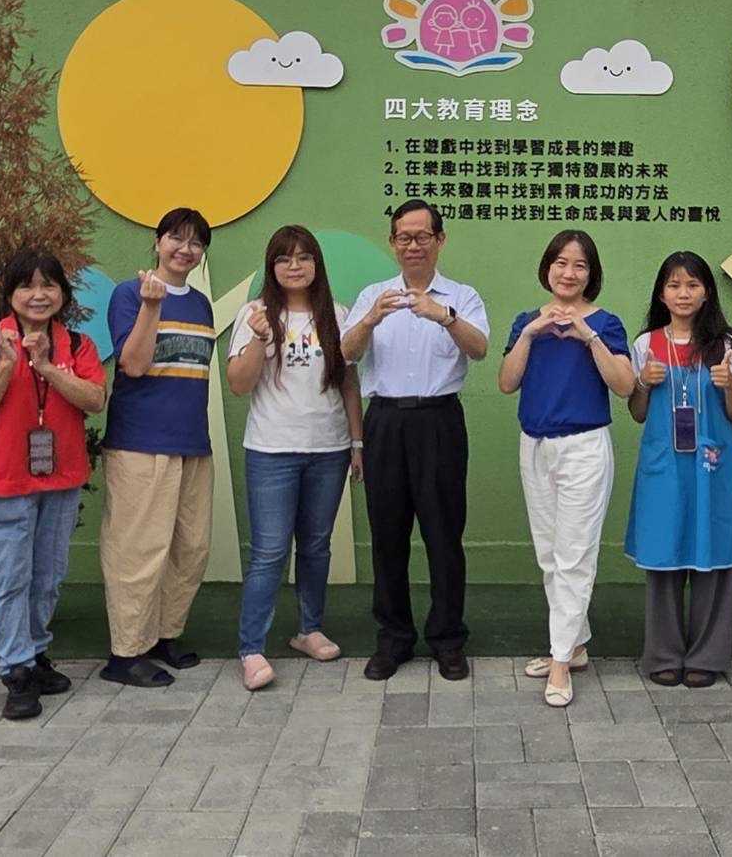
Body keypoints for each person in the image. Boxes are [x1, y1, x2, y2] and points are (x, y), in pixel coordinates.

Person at [0, 250, 106, 720]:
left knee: (48, 575)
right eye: (27, 285)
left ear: (63, 293)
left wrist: (48, 368)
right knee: (10, 578)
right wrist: (6, 365)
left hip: (60, 479)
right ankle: (15, 671)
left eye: (48, 285)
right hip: (3, 480)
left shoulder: (77, 344)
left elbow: (95, 399)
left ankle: (35, 652)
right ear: (10, 294)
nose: (38, 295)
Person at [343, 200, 489, 681]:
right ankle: (394, 639)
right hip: (385, 421)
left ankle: (448, 639)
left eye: (422, 236)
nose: (413, 245)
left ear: (439, 240)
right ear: (392, 242)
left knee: (444, 535)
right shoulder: (373, 295)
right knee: (387, 536)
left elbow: (480, 349)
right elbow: (345, 353)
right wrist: (369, 320)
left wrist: (443, 315)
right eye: (404, 237)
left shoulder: (462, 296)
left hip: (439, 421)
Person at [499, 230, 634, 707]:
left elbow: (624, 385)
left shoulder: (607, 323)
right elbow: (506, 382)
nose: (568, 272)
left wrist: (587, 335)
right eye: (560, 262)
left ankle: (559, 663)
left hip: (583, 447)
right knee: (550, 554)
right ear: (547, 267)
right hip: (534, 444)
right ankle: (573, 646)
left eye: (579, 265)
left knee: (575, 555)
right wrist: (530, 334)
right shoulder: (526, 322)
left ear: (591, 273)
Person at [227, 226, 364, 690]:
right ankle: (251, 649)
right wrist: (259, 340)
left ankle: (309, 629)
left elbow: (348, 383)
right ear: (272, 267)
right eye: (284, 259)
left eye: (304, 257)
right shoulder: (255, 313)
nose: (294, 266)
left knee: (316, 545)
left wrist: (357, 443)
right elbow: (239, 384)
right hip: (272, 450)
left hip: (328, 450)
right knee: (269, 551)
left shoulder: (338, 315)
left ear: (316, 265)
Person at [99, 208, 216, 689]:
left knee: (190, 548)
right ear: (158, 241)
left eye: (196, 242)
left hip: (192, 443)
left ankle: (164, 635)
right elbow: (133, 365)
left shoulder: (202, 304)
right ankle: (126, 654)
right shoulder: (130, 294)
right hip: (140, 443)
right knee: (138, 550)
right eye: (176, 238)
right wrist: (152, 306)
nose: (185, 249)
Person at [625, 251, 732, 689]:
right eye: (675, 285)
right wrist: (643, 383)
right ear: (661, 293)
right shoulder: (646, 344)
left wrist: (729, 385)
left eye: (693, 285)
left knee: (712, 556)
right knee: (664, 554)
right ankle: (663, 653)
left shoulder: (725, 344)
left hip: (712, 467)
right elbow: (637, 413)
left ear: (707, 293)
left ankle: (707, 656)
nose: (684, 293)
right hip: (665, 468)